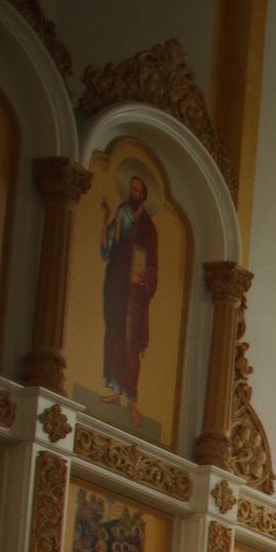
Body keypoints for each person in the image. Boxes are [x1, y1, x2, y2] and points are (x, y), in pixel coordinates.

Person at [98, 172, 158, 422]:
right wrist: (105, 217)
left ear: (143, 196)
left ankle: (131, 398)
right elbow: (108, 247)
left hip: (134, 291)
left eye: (136, 190)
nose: (132, 194)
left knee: (131, 341)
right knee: (114, 333)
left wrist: (142, 279)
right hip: (116, 281)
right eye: (131, 189)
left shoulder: (149, 228)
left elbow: (153, 265)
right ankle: (115, 392)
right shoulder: (122, 212)